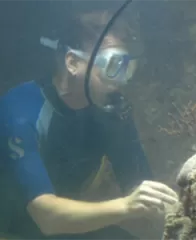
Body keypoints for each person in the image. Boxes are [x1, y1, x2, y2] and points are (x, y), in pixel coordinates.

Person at [0, 8, 178, 240]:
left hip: (64, 229)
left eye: (127, 67)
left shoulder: (112, 111)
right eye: (113, 66)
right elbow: (45, 216)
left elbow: (137, 185)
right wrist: (126, 206)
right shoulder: (20, 109)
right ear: (72, 62)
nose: (121, 80)